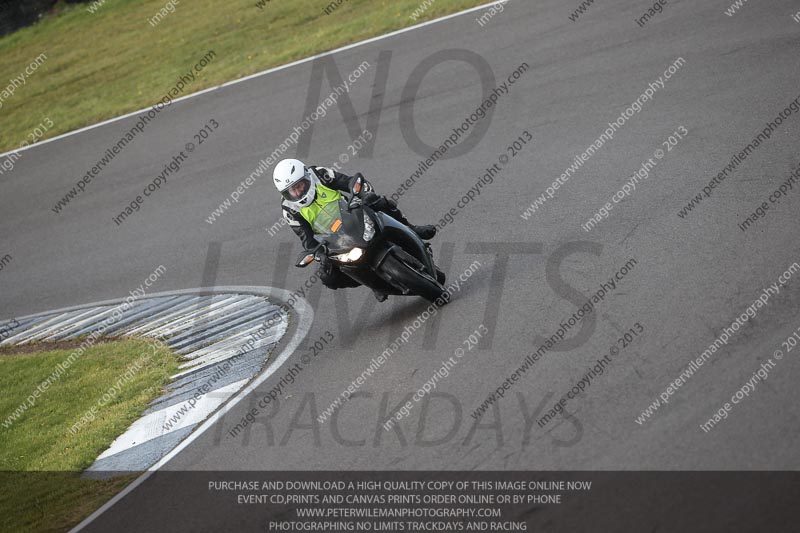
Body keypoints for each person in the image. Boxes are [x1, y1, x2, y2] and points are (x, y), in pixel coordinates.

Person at [273, 158, 437, 300]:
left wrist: (365, 195)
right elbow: (306, 240)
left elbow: (349, 181)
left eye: (299, 186)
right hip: (334, 240)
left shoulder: (319, 174)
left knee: (379, 202)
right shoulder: (289, 210)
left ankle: (412, 229)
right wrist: (319, 254)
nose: (297, 192)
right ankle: (374, 284)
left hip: (352, 215)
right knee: (327, 277)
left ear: (307, 177)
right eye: (291, 191)